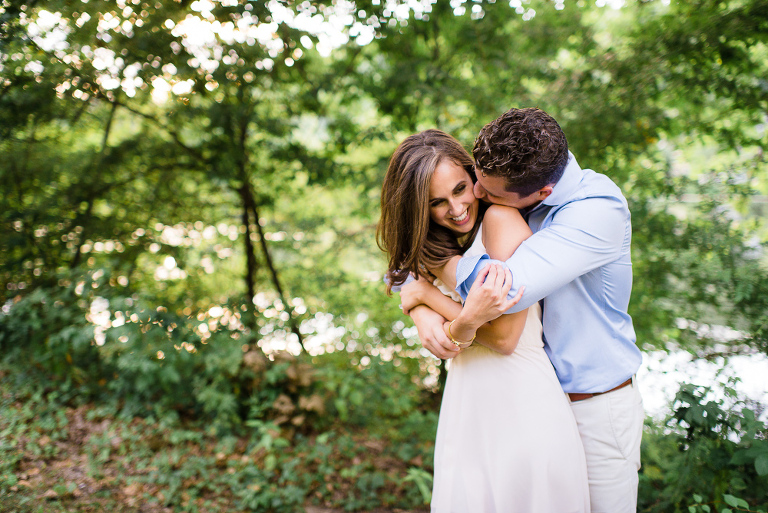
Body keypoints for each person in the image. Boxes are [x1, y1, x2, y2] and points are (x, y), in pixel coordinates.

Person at [406, 108, 644, 513]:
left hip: (594, 404)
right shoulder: (517, 173)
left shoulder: (595, 211)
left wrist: (423, 287)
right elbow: (408, 248)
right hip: (535, 397)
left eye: (489, 192)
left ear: (541, 195)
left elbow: (501, 292)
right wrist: (415, 298)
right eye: (476, 181)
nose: (477, 195)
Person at [378, 129, 590, 512]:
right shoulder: (438, 244)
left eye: (461, 189)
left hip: (523, 407)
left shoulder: (502, 221)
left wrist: (427, 300)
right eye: (436, 202)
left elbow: (505, 336)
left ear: (473, 173)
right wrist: (418, 310)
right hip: (468, 407)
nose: (456, 208)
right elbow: (401, 269)